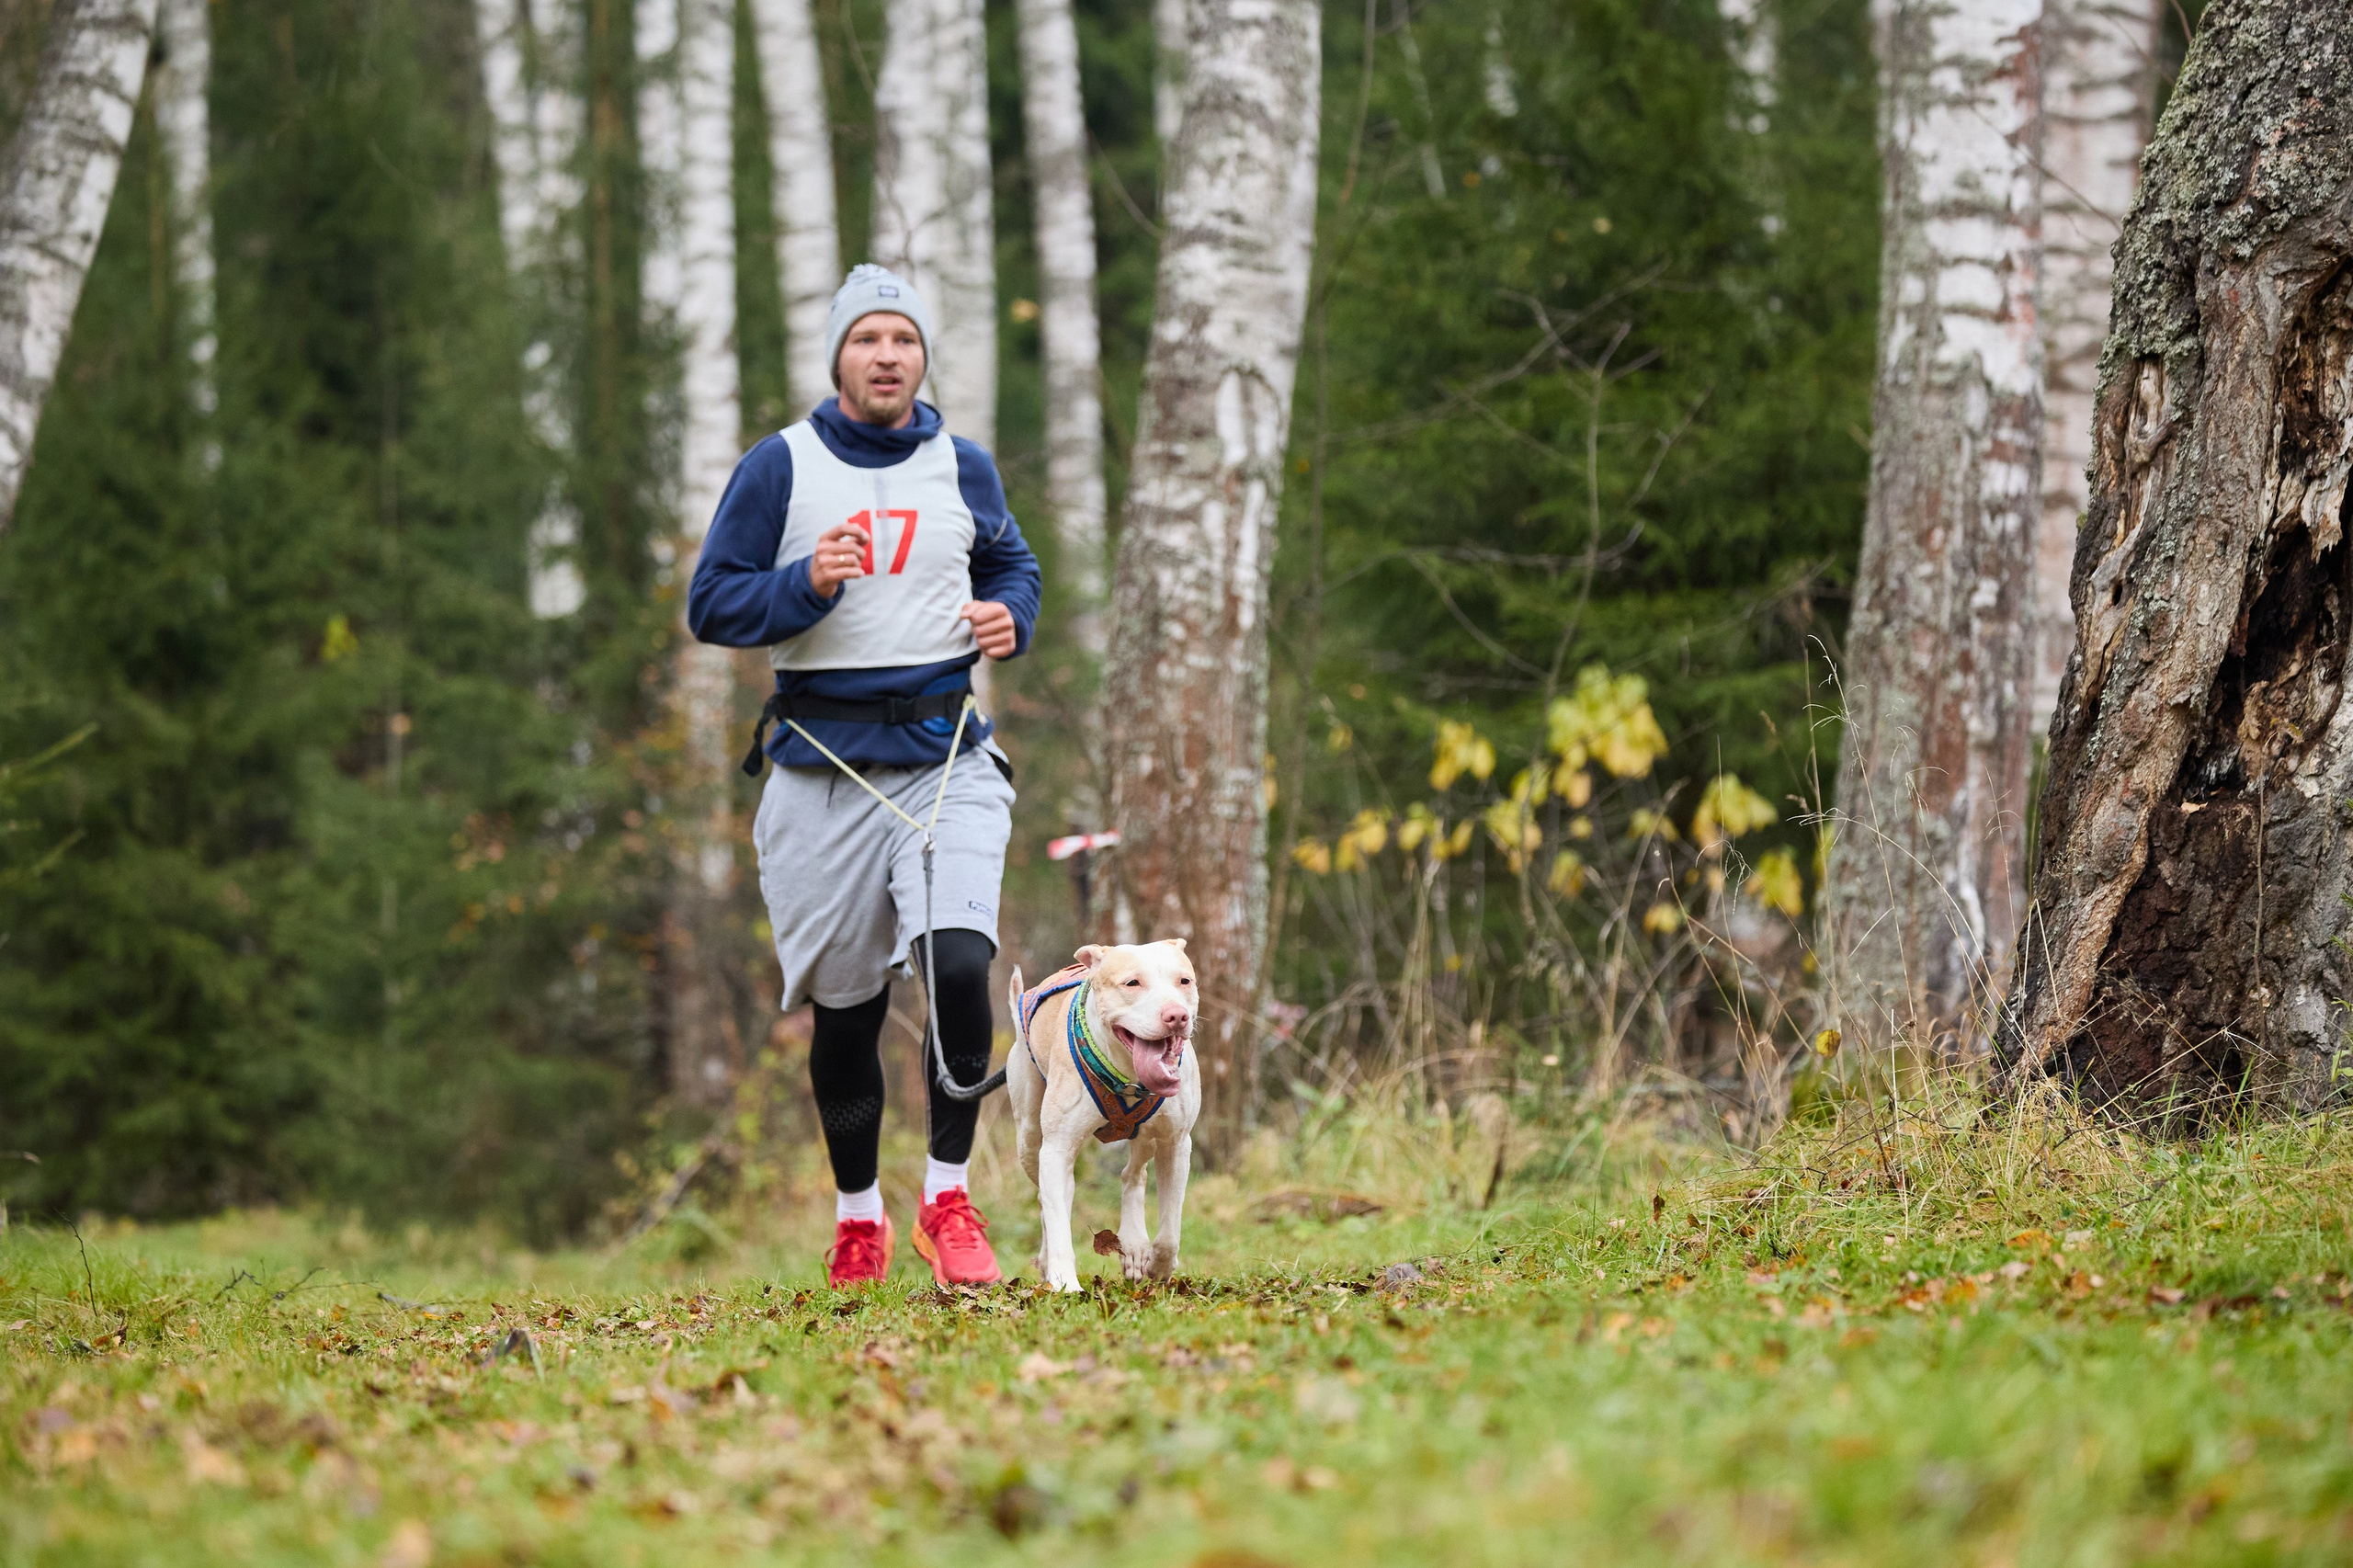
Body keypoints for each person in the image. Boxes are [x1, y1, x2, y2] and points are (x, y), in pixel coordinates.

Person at [687, 265, 1040, 1289]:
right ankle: (857, 1217)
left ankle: (946, 1194)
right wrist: (806, 584)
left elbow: (1011, 566)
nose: (887, 355)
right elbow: (713, 604)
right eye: (866, 339)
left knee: (961, 963)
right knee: (843, 1011)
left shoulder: (963, 467)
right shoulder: (780, 468)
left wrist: (1010, 617)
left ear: (924, 357)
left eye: (904, 339)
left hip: (944, 758)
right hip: (821, 770)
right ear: (838, 357)